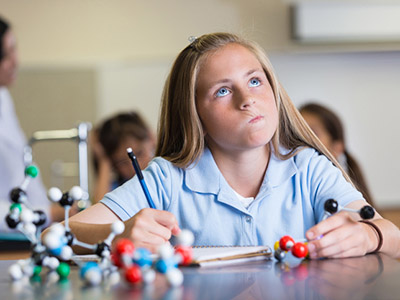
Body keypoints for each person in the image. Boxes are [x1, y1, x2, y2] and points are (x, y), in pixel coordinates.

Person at [66, 32, 400, 259]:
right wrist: (117, 233)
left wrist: (370, 237)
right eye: (222, 91)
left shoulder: (309, 168)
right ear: (193, 113)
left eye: (255, 81)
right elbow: (57, 235)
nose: (248, 99)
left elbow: (391, 237)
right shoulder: (166, 179)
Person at [0, 16, 63, 230]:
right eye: (5, 56)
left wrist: (47, 211)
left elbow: (22, 168)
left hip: (26, 225)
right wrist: (46, 214)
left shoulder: (3, 97)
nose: (16, 61)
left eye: (14, 50)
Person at [299, 102, 374, 206]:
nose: (300, 140)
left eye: (312, 133)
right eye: (296, 132)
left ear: (336, 148)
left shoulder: (345, 198)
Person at [91, 111, 155, 203]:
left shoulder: (164, 174)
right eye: (122, 162)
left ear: (151, 138)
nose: (133, 167)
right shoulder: (118, 189)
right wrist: (104, 161)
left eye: (139, 153)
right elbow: (98, 210)